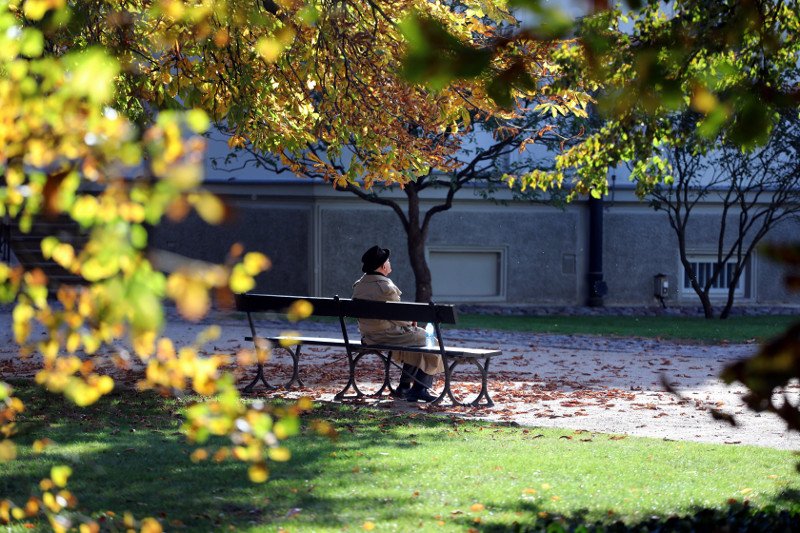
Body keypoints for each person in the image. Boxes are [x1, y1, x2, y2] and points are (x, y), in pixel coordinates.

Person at [352, 245, 443, 402]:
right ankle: (420, 389)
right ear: (383, 266)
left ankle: (404, 387)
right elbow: (399, 317)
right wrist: (411, 323)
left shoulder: (359, 286)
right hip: (388, 336)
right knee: (430, 341)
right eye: (388, 261)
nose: (390, 264)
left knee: (415, 339)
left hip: (369, 336)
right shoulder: (386, 287)